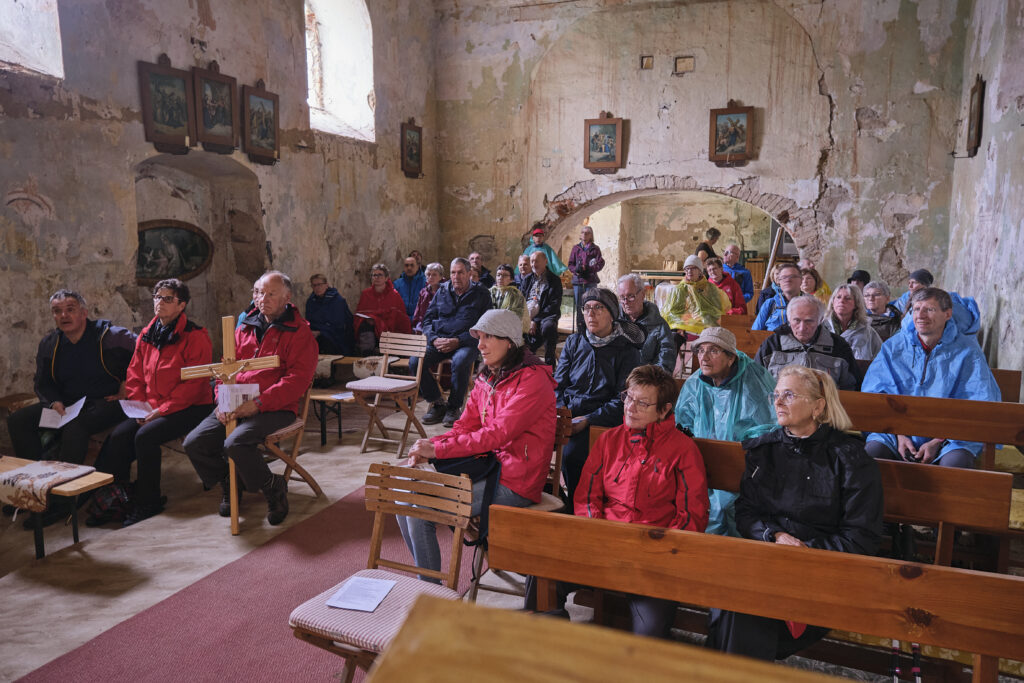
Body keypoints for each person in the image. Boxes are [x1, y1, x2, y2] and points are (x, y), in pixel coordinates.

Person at [707, 366, 883, 660]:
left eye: (789, 395)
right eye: (776, 395)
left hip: (823, 572)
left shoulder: (851, 459)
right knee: (734, 598)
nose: (777, 402)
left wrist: (804, 550)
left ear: (818, 406)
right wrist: (774, 536)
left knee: (741, 607)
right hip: (767, 557)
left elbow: (861, 537)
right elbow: (746, 512)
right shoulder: (764, 451)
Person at [530, 365, 710, 637]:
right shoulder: (609, 440)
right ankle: (546, 645)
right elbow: (588, 495)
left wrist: (656, 553)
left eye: (642, 403)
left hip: (653, 558)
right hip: (603, 543)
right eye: (628, 397)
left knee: (649, 636)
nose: (630, 407)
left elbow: (691, 516)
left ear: (664, 410)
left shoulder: (684, 451)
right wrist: (598, 534)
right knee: (542, 570)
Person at [400, 309, 555, 581]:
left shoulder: (533, 380)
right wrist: (430, 445)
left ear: (510, 341)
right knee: (403, 497)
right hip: (485, 467)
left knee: (420, 509)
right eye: (479, 337)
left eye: (488, 337)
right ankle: (427, 586)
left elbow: (497, 434)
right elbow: (464, 427)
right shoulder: (489, 376)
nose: (480, 345)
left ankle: (430, 593)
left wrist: (437, 451)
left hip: (516, 481)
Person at [183, 271, 317, 526]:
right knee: (194, 443)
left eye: (270, 293)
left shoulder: (299, 333)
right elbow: (225, 368)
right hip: (235, 400)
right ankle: (231, 483)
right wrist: (222, 400)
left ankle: (273, 486)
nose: (261, 298)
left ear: (287, 297)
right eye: (257, 292)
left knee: (235, 443)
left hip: (275, 406)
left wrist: (258, 404)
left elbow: (296, 380)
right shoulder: (245, 326)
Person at [6, 290, 136, 526]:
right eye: (57, 311)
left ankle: (62, 502)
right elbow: (43, 383)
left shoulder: (111, 337)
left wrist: (127, 386)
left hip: (107, 402)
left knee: (75, 428)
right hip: (67, 405)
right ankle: (34, 490)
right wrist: (53, 401)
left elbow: (143, 355)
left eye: (70, 309)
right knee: (19, 421)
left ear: (84, 313)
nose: (63, 315)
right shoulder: (51, 344)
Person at [93, 279, 213, 526]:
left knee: (145, 436)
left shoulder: (195, 336)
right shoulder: (147, 334)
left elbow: (194, 385)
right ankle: (119, 496)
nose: (160, 302)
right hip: (152, 406)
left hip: (191, 406)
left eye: (168, 298)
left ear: (181, 305)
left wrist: (161, 410)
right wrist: (139, 406)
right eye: (157, 297)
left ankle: (149, 500)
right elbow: (134, 374)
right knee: (118, 436)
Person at [862, 287, 1000, 468]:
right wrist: (899, 435)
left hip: (950, 437)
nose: (921, 315)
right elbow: (875, 394)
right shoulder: (893, 348)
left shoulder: (967, 352)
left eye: (930, 309)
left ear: (948, 314)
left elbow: (978, 401)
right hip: (894, 431)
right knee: (872, 455)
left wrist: (937, 441)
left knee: (956, 463)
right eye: (916, 309)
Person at [675, 327, 777, 537]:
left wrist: (735, 453)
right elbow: (682, 422)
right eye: (701, 350)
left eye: (713, 350)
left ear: (731, 357)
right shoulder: (696, 382)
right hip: (703, 459)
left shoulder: (754, 379)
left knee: (727, 508)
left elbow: (767, 426)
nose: (704, 357)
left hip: (744, 464)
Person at [555, 288, 643, 501]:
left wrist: (588, 420)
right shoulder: (575, 342)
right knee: (527, 446)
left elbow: (623, 399)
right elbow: (557, 384)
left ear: (612, 314)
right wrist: (560, 410)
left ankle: (579, 506)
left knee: (572, 455)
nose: (591, 314)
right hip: (566, 414)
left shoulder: (627, 351)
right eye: (586, 308)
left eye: (598, 308)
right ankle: (554, 500)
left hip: (601, 419)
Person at [414, 257, 493, 428]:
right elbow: (427, 321)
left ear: (469, 274)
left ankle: (453, 407)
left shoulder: (482, 294)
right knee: (415, 361)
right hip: (439, 342)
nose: (456, 276)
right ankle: (437, 403)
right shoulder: (442, 291)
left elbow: (486, 326)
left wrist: (459, 340)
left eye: (460, 272)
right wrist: (434, 339)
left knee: (461, 361)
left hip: (466, 343)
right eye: (452, 273)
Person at [754, 296, 862, 391]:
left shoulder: (838, 346)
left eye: (809, 321)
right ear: (789, 319)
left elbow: (851, 387)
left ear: (820, 320)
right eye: (796, 320)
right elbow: (756, 382)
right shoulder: (772, 344)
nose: (802, 328)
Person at [617, 274, 676, 372]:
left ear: (643, 294)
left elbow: (666, 361)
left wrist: (645, 380)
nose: (625, 302)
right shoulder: (613, 322)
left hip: (645, 381)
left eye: (631, 296)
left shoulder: (659, 325)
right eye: (622, 297)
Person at [661, 254, 731, 335]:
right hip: (686, 323)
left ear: (700, 271)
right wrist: (687, 318)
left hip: (706, 322)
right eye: (687, 269)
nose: (689, 271)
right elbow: (672, 312)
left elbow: (718, 309)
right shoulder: (679, 289)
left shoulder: (710, 288)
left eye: (693, 268)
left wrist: (704, 315)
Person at [355, 263, 412, 353]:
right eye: (374, 275)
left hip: (390, 329)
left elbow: (400, 317)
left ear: (386, 278)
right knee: (365, 326)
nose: (377, 277)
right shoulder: (366, 294)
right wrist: (369, 319)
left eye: (380, 275)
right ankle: (368, 355)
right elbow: (359, 315)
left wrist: (378, 321)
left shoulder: (394, 295)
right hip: (370, 330)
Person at [520, 250, 563, 366]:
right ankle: (523, 362)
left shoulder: (554, 280)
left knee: (548, 327)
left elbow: (553, 306)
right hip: (527, 315)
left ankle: (549, 364)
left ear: (545, 262)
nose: (534, 264)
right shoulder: (527, 279)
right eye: (532, 261)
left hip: (546, 315)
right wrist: (528, 320)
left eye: (537, 261)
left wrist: (535, 320)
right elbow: (521, 301)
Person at [823, 284, 882, 362]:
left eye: (847, 298)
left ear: (856, 304)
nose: (841, 301)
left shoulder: (867, 331)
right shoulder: (821, 327)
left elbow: (881, 358)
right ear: (832, 302)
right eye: (838, 297)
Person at [304, 273, 354, 355]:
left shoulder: (337, 301)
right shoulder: (311, 301)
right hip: (316, 333)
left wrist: (321, 332)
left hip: (335, 335)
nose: (317, 288)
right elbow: (309, 321)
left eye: (319, 285)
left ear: (326, 285)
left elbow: (339, 325)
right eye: (314, 285)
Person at [567, 223, 605, 330]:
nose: (584, 235)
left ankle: (592, 328)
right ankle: (580, 329)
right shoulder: (576, 248)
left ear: (591, 236)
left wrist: (589, 269)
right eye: (583, 232)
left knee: (591, 304)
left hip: (590, 281)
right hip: (578, 281)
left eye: (587, 233)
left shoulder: (595, 249)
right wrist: (576, 271)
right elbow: (570, 264)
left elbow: (600, 263)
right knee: (579, 306)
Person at [752, 262, 803, 331]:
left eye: (792, 276)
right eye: (784, 277)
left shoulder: (811, 304)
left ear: (801, 280)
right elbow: (755, 333)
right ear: (779, 282)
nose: (787, 280)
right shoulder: (770, 304)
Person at [490, 263, 529, 332]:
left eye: (505, 275)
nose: (500, 278)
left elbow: (516, 315)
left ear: (511, 279)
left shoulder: (516, 294)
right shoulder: (490, 292)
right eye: (498, 275)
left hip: (509, 329)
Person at [411, 262, 444, 333]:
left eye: (434, 274)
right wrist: (415, 325)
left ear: (441, 277)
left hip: (438, 326)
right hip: (422, 325)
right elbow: (418, 312)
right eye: (428, 274)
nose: (431, 277)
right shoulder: (423, 292)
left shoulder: (445, 292)